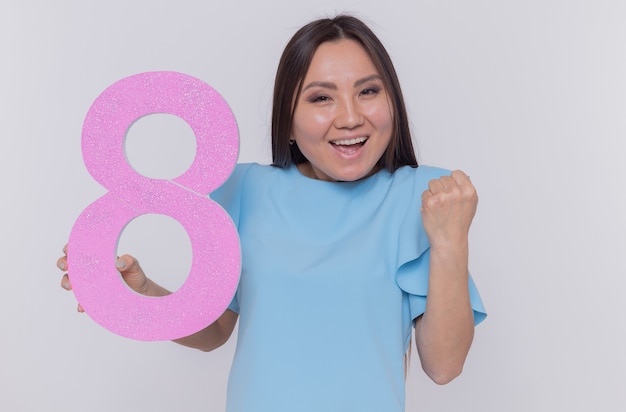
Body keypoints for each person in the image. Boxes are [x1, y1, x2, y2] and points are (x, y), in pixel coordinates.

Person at [58, 15, 486, 412]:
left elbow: (443, 366)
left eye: (368, 91)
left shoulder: (426, 197)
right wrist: (141, 290)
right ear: (287, 119)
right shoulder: (245, 189)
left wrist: (450, 242)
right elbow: (213, 332)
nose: (351, 117)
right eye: (321, 97)